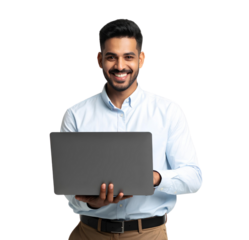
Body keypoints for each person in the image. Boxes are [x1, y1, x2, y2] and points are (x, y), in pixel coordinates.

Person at [60, 18, 204, 240]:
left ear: (142, 59)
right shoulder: (75, 115)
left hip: (149, 234)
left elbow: (194, 178)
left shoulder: (169, 110)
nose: (120, 66)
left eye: (128, 57)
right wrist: (92, 202)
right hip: (88, 233)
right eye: (111, 57)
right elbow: (68, 189)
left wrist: (154, 178)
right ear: (99, 60)